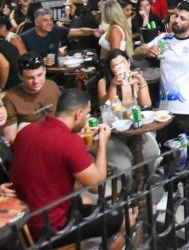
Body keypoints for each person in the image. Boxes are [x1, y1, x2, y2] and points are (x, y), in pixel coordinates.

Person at [11, 89, 121, 244]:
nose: (87, 118)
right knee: (120, 218)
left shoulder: (26, 131)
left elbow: (50, 157)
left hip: (23, 223)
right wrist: (102, 143)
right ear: (78, 114)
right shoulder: (69, 142)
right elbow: (96, 186)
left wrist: (78, 146)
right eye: (87, 114)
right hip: (51, 229)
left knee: (83, 202)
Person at [134, 1, 189, 140]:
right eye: (176, 16)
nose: (176, 20)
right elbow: (135, 53)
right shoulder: (164, 39)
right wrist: (146, 51)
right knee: (166, 149)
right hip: (164, 111)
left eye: (182, 18)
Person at [97, 49, 160, 177]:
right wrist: (113, 85)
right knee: (127, 161)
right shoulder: (104, 83)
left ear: (128, 63)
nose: (120, 67)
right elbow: (107, 107)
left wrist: (141, 83)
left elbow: (146, 104)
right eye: (115, 66)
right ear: (110, 69)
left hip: (134, 128)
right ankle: (135, 182)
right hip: (115, 132)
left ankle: (143, 181)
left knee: (152, 152)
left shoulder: (134, 79)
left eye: (122, 63)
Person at [3, 52, 62, 144]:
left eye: (39, 75)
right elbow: (11, 138)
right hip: (31, 144)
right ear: (20, 76)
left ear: (45, 71)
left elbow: (63, 115)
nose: (36, 81)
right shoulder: (10, 99)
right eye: (30, 77)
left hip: (57, 138)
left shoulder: (52, 86)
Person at [21, 8, 100, 66]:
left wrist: (94, 31)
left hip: (56, 72)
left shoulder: (56, 30)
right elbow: (23, 61)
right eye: (45, 20)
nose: (49, 23)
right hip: (35, 75)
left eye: (51, 20)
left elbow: (80, 31)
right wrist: (40, 61)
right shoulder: (25, 37)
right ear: (36, 22)